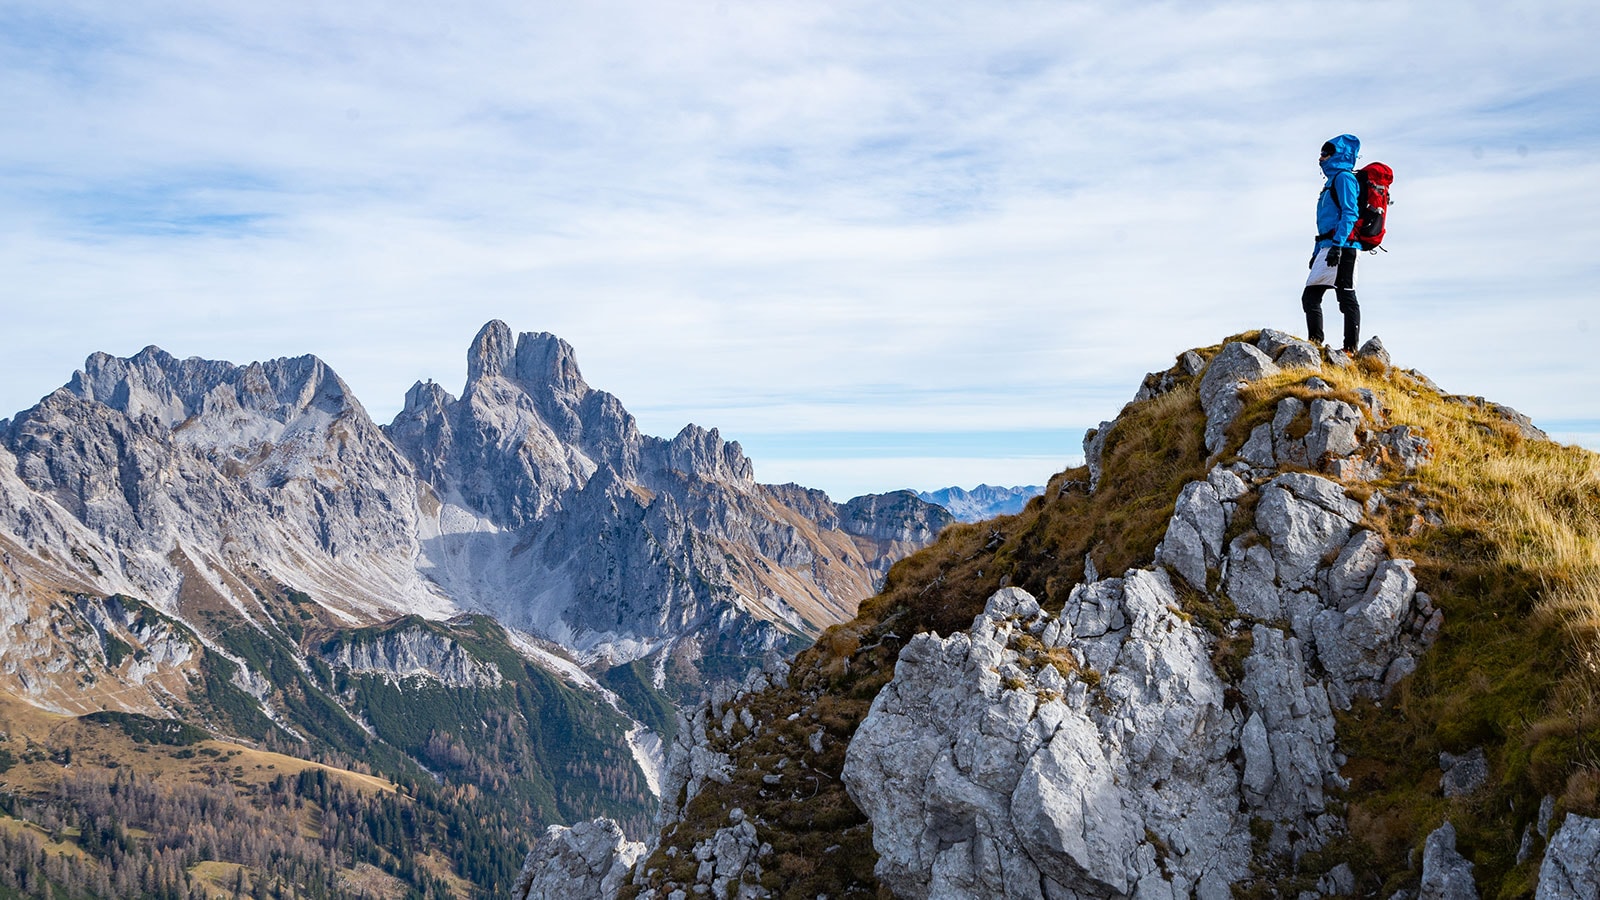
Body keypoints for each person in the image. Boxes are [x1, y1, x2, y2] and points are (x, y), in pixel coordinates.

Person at [1302, 134, 1362, 354]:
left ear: (1339, 155)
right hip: (1328, 246)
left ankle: (1350, 349)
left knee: (1345, 295)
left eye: (1326, 153)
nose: (1321, 158)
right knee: (1310, 296)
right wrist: (1317, 251)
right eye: (1321, 153)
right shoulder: (1330, 183)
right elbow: (1325, 224)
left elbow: (1350, 213)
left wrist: (1338, 245)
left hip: (1344, 247)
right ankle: (1314, 345)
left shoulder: (1344, 178)